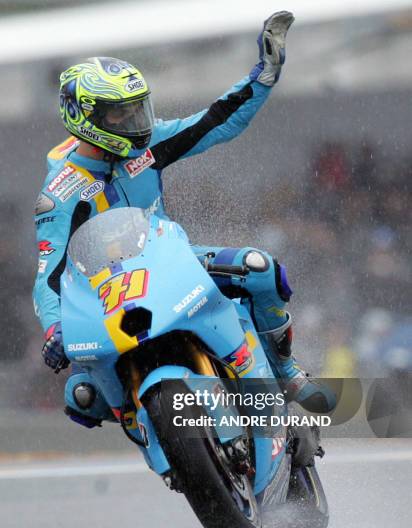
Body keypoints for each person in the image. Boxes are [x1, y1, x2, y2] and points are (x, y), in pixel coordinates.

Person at [33, 11, 336, 429]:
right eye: (121, 115)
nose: (137, 123)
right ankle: (146, 422)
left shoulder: (149, 146)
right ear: (85, 118)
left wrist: (265, 75)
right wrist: (54, 331)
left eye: (138, 110)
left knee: (260, 270)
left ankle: (286, 373)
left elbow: (216, 122)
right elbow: (48, 277)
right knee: (81, 398)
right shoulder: (61, 193)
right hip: (104, 296)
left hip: (169, 263)